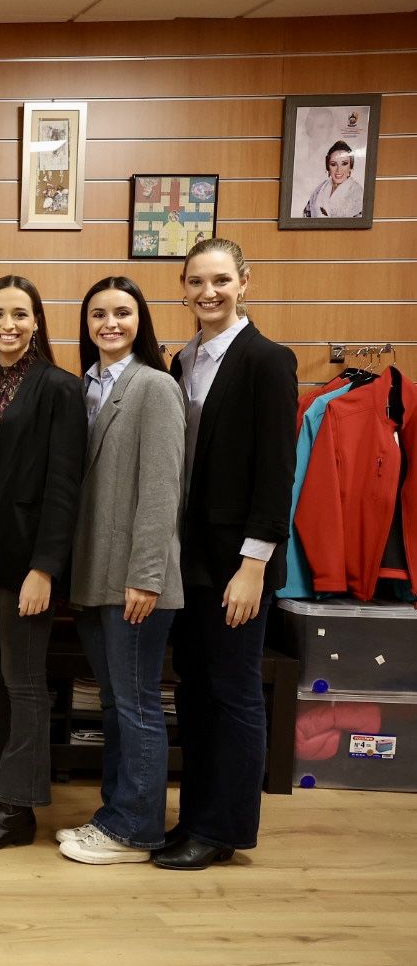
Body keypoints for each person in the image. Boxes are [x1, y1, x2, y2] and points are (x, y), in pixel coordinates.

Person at [162, 238, 297, 870]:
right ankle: (194, 818)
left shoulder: (267, 361)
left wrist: (254, 566)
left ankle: (224, 829)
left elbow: (276, 474)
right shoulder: (181, 361)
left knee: (234, 693)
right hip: (190, 561)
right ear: (183, 288)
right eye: (196, 282)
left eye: (220, 280)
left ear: (245, 282)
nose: (208, 292)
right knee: (194, 691)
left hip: (237, 564)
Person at [0, 276, 84, 851]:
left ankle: (19, 809)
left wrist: (46, 568)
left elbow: (64, 485)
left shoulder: (58, 387)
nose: (8, 324)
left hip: (26, 561)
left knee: (26, 683)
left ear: (36, 322)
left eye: (20, 314)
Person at [58, 276, 185, 865]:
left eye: (123, 312)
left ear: (141, 319)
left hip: (135, 579)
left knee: (135, 704)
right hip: (92, 573)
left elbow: (163, 490)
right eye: (99, 314)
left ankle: (137, 830)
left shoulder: (155, 386)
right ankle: (116, 815)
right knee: (112, 701)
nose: (110, 323)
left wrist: (147, 576)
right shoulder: (84, 387)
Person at [302, 140, 363, 218]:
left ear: (350, 167)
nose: (338, 170)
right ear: (328, 167)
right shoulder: (321, 188)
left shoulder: (357, 192)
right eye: (333, 164)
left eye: (344, 164)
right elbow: (306, 214)